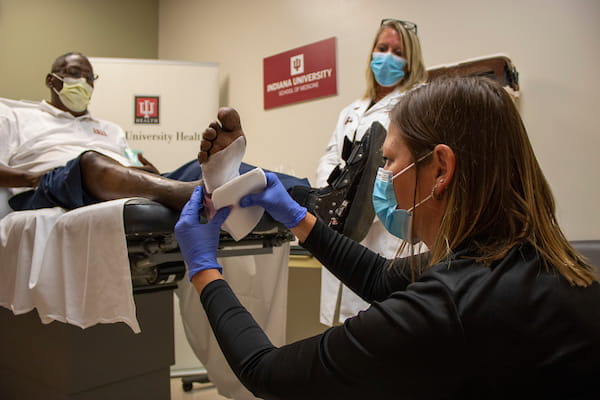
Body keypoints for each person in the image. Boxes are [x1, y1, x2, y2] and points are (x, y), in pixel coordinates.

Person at [175, 76, 600, 399]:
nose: (383, 178)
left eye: (390, 161)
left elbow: (266, 372)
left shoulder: (450, 304)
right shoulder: (535, 259)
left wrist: (203, 267)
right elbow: (380, 278)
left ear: (441, 170)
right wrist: (299, 218)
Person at [315, 19, 428, 326]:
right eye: (382, 48)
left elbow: (409, 169)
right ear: (371, 54)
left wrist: (363, 202)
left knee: (382, 324)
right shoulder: (351, 110)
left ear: (410, 61)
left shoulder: (415, 103)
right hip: (342, 225)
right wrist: (339, 192)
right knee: (345, 328)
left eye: (397, 51)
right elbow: (329, 158)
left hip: (384, 235)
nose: (387, 56)